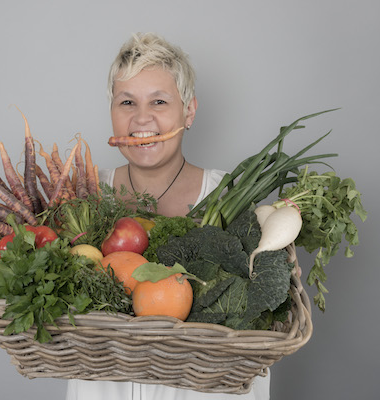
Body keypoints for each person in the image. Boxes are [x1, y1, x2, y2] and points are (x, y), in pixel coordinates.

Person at [65, 32, 270, 400]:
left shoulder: (227, 195)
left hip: (204, 388)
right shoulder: (86, 194)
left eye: (159, 101)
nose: (141, 118)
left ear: (188, 112)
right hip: (106, 386)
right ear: (111, 112)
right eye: (127, 102)